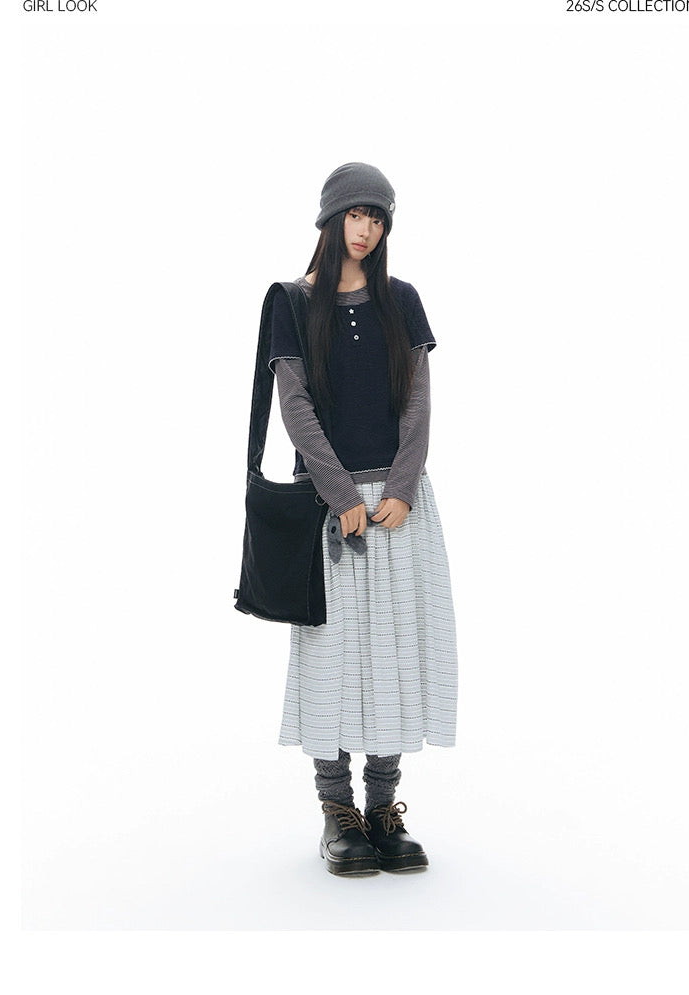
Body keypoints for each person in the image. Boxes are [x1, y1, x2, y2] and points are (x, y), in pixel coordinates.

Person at [266, 162, 458, 875]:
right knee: (332, 659)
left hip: (398, 504)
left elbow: (418, 402)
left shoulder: (401, 300)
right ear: (331, 218)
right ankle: (337, 812)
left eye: (377, 218)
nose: (366, 229)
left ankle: (382, 809)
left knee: (394, 654)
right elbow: (295, 407)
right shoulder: (293, 302)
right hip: (329, 505)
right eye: (356, 214)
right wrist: (342, 493)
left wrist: (400, 487)